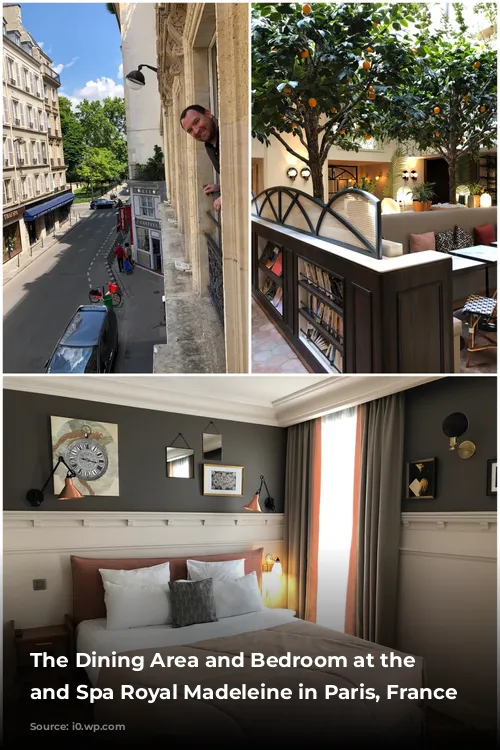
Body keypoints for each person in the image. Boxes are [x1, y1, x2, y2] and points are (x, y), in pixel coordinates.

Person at [180, 104, 221, 212]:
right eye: (190, 130)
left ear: (208, 114)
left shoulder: (229, 133)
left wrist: (227, 196)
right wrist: (220, 187)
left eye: (196, 121)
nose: (196, 130)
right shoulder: (208, 146)